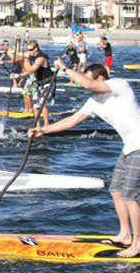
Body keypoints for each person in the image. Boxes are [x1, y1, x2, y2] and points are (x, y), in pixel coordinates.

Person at [29, 63, 140, 258]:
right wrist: (43, 130)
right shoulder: (94, 102)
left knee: (130, 196)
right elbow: (72, 120)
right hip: (128, 148)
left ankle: (137, 244)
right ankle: (125, 235)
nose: (82, 85)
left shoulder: (119, 85)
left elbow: (88, 85)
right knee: (116, 190)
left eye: (87, 79)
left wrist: (65, 68)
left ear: (99, 79)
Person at [15, 40, 54, 127]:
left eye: (31, 49)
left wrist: (18, 75)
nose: (29, 51)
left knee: (41, 103)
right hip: (39, 83)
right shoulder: (30, 53)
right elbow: (17, 53)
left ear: (36, 48)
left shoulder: (41, 58)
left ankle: (47, 126)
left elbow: (31, 70)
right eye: (28, 50)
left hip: (48, 82)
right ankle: (38, 127)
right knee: (35, 105)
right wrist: (17, 43)